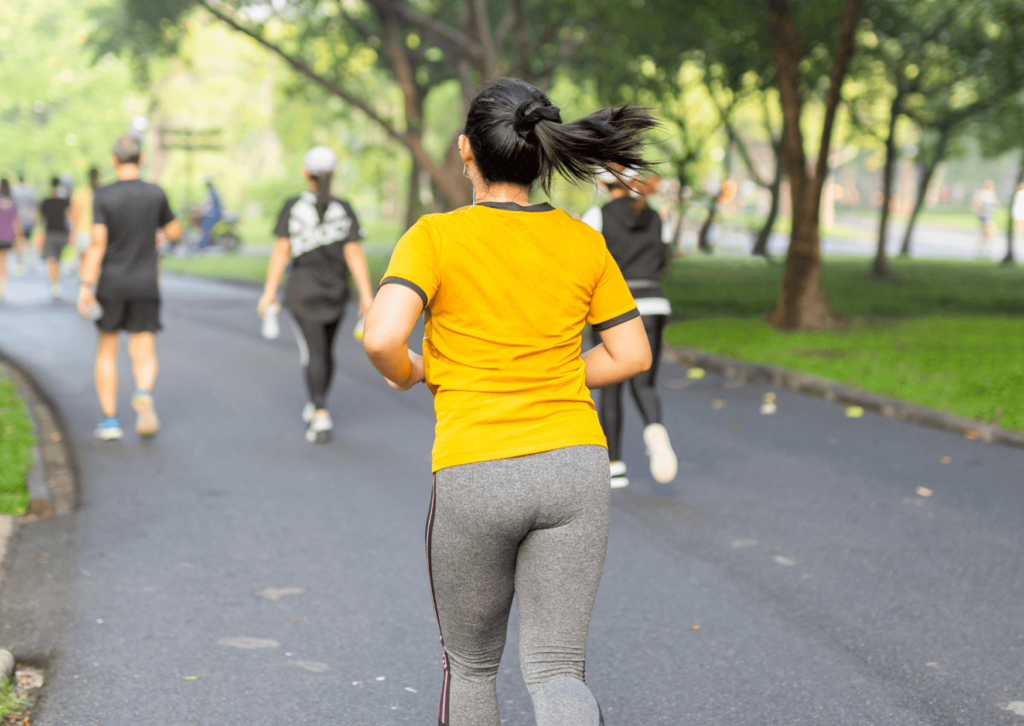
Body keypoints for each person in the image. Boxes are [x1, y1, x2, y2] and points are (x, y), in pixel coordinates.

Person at [362, 78, 656, 726]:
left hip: (476, 468)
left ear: (467, 150)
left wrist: (414, 370)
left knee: (470, 667)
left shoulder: (435, 237)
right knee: (557, 670)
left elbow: (381, 335)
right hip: (575, 467)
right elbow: (633, 355)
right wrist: (550, 374)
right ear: (542, 154)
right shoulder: (581, 240)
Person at [257, 146, 374, 443]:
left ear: (305, 173)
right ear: (333, 175)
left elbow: (282, 249)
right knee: (324, 351)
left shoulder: (292, 206)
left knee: (313, 352)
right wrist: (366, 296)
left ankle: (320, 412)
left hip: (302, 292)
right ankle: (318, 404)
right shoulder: (344, 208)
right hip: (336, 292)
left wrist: (269, 292)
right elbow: (354, 252)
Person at [77, 136, 181, 441]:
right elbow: (174, 230)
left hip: (111, 283)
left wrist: (86, 285)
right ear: (142, 158)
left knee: (107, 351)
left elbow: (97, 244)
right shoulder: (155, 194)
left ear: (113, 159)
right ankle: (142, 391)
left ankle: (110, 421)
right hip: (146, 282)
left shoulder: (103, 195)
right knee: (144, 349)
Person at [583, 170, 677, 488]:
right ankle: (655, 430)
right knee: (645, 384)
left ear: (603, 184)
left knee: (611, 387)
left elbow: (584, 262)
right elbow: (664, 259)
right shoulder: (655, 216)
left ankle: (615, 465)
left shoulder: (598, 215)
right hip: (655, 305)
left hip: (616, 311)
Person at [37, 176, 70, 299]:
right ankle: (56, 284)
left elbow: (41, 220)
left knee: (51, 260)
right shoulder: (65, 201)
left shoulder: (46, 201)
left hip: (50, 232)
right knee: (58, 260)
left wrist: (40, 236)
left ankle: (54, 285)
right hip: (62, 233)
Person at [70, 167, 100, 273]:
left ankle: (85, 284)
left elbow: (74, 215)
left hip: (82, 231)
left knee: (83, 261)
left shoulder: (80, 192)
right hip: (98, 231)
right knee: (96, 261)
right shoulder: (102, 192)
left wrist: (72, 234)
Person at [0, 179, 24, 300]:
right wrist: (18, 237)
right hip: (7, 236)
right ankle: (2, 288)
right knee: (3, 261)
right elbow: (15, 222)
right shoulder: (12, 202)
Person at [11, 174, 36, 273]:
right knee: (28, 240)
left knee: (18, 241)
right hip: (28, 218)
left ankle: (19, 262)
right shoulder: (30, 190)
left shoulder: (14, 190)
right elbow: (34, 205)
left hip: (18, 219)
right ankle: (30, 260)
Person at [971, 179, 999, 259]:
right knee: (991, 231)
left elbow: (996, 203)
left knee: (986, 234)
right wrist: (980, 209)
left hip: (990, 215)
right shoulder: (981, 193)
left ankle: (982, 248)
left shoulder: (992, 193)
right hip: (984, 215)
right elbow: (975, 203)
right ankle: (983, 249)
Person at [198, 179, 222, 250]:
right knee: (204, 226)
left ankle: (203, 244)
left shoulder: (212, 193)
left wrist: (201, 209)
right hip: (212, 213)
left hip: (213, 214)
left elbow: (208, 204)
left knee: (205, 227)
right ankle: (204, 242)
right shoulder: (212, 192)